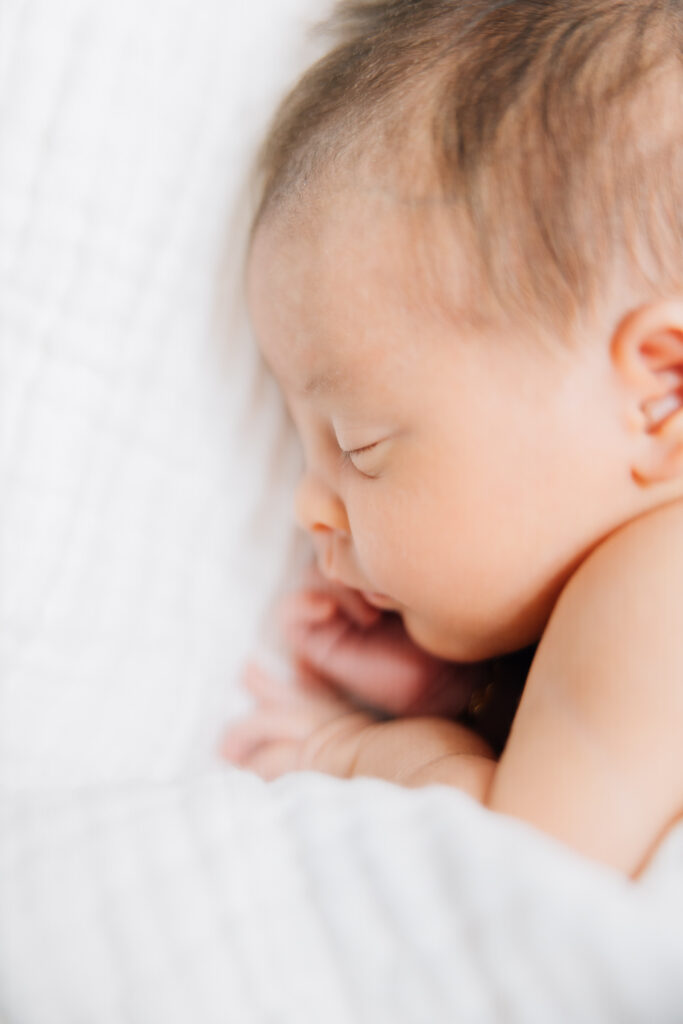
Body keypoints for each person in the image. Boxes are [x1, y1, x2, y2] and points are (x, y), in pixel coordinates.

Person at [222, 0, 683, 878]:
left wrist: (359, 752)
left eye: (358, 447)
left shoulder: (656, 587)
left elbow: (533, 873)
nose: (306, 505)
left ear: (664, 390)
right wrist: (461, 698)